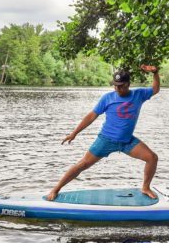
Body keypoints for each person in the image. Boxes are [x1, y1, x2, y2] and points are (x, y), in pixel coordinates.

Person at [46, 64, 160, 201]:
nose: (117, 88)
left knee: (152, 158)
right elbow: (91, 116)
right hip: (106, 140)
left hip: (127, 141)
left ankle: (145, 187)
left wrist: (155, 73)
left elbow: (155, 89)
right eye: (115, 85)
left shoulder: (138, 94)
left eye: (121, 85)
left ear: (128, 84)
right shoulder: (107, 98)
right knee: (83, 165)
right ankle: (56, 189)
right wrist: (74, 133)